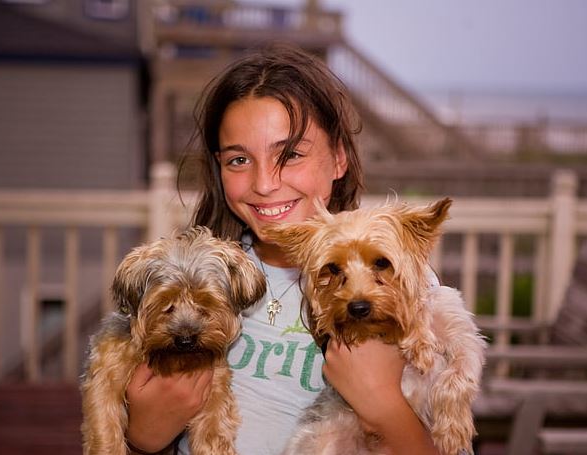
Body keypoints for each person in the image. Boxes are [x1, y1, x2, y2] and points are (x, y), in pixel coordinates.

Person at [125, 43, 440, 455]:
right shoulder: (188, 282)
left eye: (290, 154)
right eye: (239, 160)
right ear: (218, 169)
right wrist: (141, 438)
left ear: (340, 158)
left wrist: (382, 404)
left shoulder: (398, 288)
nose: (265, 183)